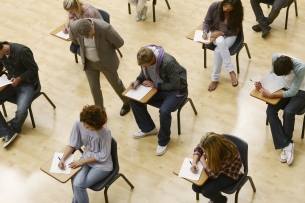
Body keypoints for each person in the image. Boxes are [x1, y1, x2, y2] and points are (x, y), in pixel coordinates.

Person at [129, 45, 187, 156]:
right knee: (134, 99)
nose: (143, 67)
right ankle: (148, 128)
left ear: (153, 59)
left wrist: (154, 84)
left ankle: (163, 140)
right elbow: (144, 73)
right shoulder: (146, 59)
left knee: (164, 111)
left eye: (145, 65)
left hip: (174, 91)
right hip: (157, 87)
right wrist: (137, 81)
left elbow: (175, 85)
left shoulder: (168, 62)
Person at [69, 19, 131, 116]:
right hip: (89, 64)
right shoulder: (73, 27)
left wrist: (107, 53)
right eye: (86, 37)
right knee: (94, 88)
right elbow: (74, 40)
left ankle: (127, 102)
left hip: (106, 63)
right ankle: (100, 111)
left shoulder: (105, 28)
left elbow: (119, 42)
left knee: (116, 85)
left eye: (92, 35)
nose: (90, 38)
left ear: (92, 26)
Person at [254, 53, 305, 165]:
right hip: (284, 87)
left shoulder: (301, 67)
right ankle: (287, 144)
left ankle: (286, 144)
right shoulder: (275, 58)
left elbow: (293, 92)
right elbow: (271, 74)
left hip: (301, 90)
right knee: (270, 111)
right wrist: (262, 84)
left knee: (288, 111)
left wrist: (272, 95)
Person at [58, 105, 112, 203]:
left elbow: (103, 155)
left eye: (89, 126)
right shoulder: (79, 122)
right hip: (85, 160)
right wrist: (63, 159)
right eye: (84, 124)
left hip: (102, 165)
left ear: (97, 126)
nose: (85, 127)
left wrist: (81, 161)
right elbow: (73, 143)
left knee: (78, 186)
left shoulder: (105, 132)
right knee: (77, 186)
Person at [0, 41, 39, 147]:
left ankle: (13, 127)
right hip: (11, 83)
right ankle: (7, 132)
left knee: (21, 111)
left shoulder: (22, 51)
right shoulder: (2, 54)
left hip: (28, 84)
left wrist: (19, 78)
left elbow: (34, 69)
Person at [202, 0, 244, 92]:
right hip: (215, 34)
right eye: (225, 6)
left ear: (234, 8)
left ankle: (215, 79)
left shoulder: (237, 13)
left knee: (218, 51)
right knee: (220, 41)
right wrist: (205, 32)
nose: (225, 9)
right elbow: (207, 21)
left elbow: (235, 31)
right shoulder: (214, 6)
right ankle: (231, 71)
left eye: (228, 9)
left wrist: (222, 33)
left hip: (230, 34)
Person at [190, 132, 243, 203]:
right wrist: (194, 163)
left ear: (213, 151)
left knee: (206, 191)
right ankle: (215, 195)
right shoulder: (208, 141)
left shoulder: (226, 153)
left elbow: (213, 175)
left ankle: (221, 200)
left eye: (205, 151)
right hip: (217, 168)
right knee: (195, 187)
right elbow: (198, 149)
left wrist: (202, 160)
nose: (204, 151)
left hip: (230, 172)